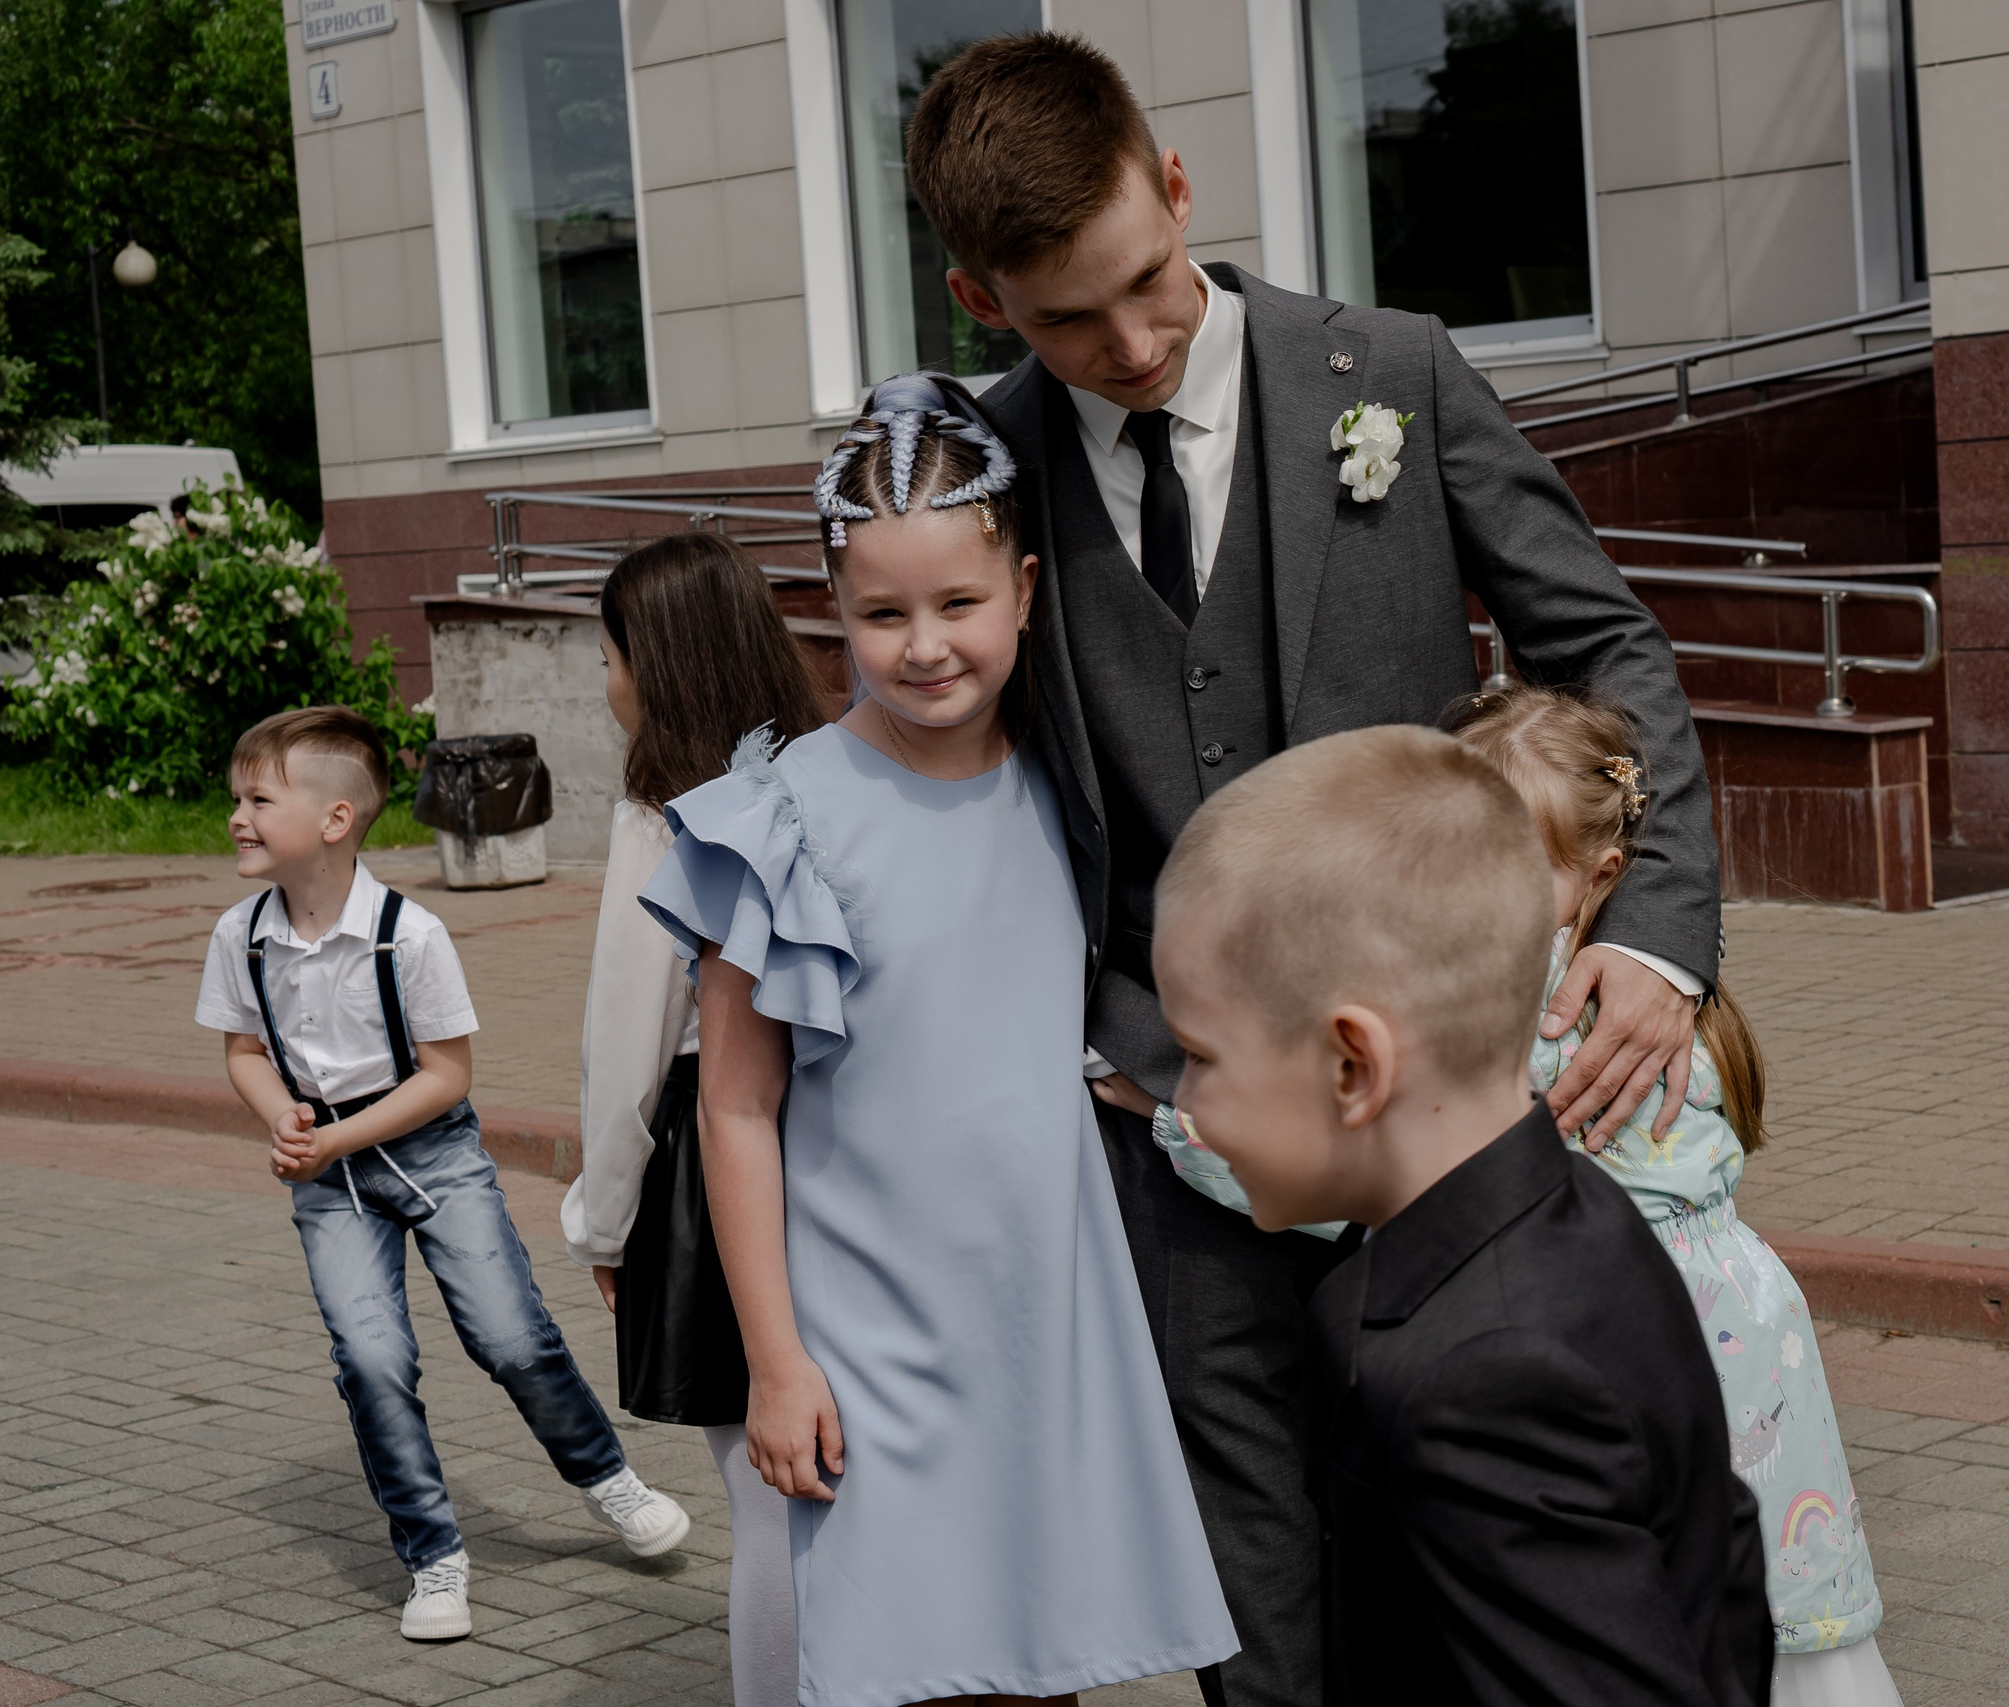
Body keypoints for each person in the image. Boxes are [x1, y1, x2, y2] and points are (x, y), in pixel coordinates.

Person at [905, 37, 1724, 1702]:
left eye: (1145, 283)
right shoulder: (977, 466)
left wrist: (1656, 933)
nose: (1129, 347)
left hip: (1441, 1108)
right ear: (979, 297)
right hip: (1163, 1122)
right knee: (1249, 1589)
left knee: (1479, 1559)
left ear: (1179, 188)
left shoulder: (1396, 374)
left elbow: (1603, 644)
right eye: (1068, 321)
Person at [637, 374, 1237, 1706]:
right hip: (870, 1339)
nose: (924, 645)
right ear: (831, 611)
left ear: (1025, 587)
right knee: (907, 1662)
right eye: (881, 613)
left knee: (1040, 1658)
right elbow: (736, 1109)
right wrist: (780, 1361)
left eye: (958, 604)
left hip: (1049, 1316)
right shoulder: (781, 816)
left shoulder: (1073, 785)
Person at [1150, 725, 1773, 1707]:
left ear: (1353, 1066)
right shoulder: (1580, 1219)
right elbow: (1720, 1569)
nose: (1185, 1100)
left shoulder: (1478, 1380)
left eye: (1201, 1054)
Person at [194, 706, 689, 1643]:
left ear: (336, 819)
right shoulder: (241, 935)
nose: (238, 816)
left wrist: (339, 1138)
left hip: (431, 1147)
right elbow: (244, 1050)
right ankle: (432, 1555)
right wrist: (283, 1117)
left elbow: (449, 1076)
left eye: (259, 798)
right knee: (372, 1358)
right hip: (328, 1174)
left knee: (509, 1336)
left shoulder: (408, 934)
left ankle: (606, 1478)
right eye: (236, 799)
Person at [1449, 685, 1898, 1707]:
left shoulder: (1540, 1008)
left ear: (1600, 872)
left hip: (1628, 1333)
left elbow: (1390, 1149)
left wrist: (1181, 1122)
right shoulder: (1663, 991)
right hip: (1743, 1322)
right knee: (1777, 1619)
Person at [564, 532, 831, 1707]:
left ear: (654, 662)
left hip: (712, 1159)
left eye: (611, 653)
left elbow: (624, 1051)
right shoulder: (827, 773)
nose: (605, 681)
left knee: (765, 1492)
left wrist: (600, 1225)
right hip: (834, 1146)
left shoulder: (661, 818)